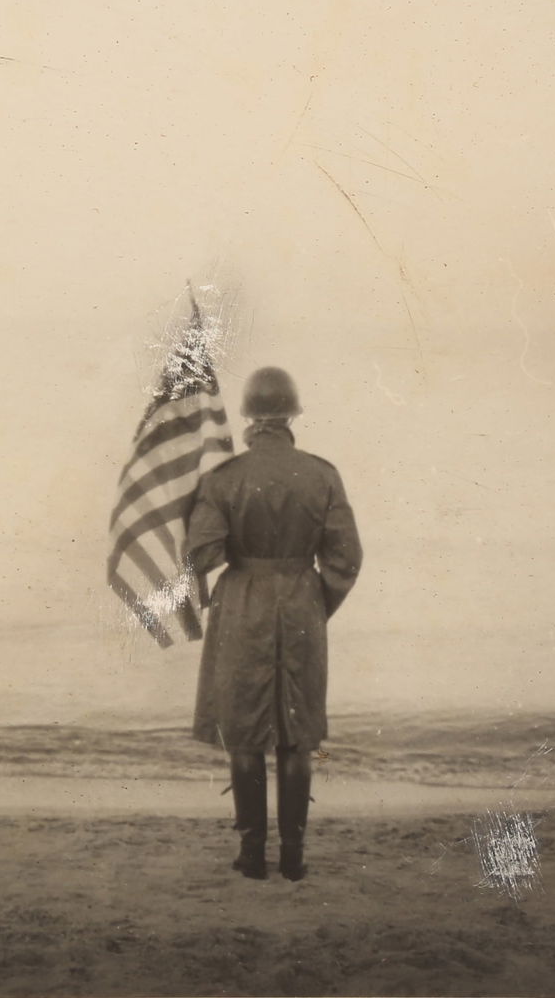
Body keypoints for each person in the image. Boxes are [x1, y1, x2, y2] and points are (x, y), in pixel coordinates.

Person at [186, 366, 362, 881]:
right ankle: (293, 856)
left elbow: (203, 556)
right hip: (302, 601)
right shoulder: (322, 474)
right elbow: (345, 559)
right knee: (296, 733)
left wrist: (195, 507)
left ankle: (250, 854)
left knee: (242, 733)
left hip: (242, 605)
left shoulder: (224, 478)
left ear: (247, 417)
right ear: (291, 415)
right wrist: (313, 603)